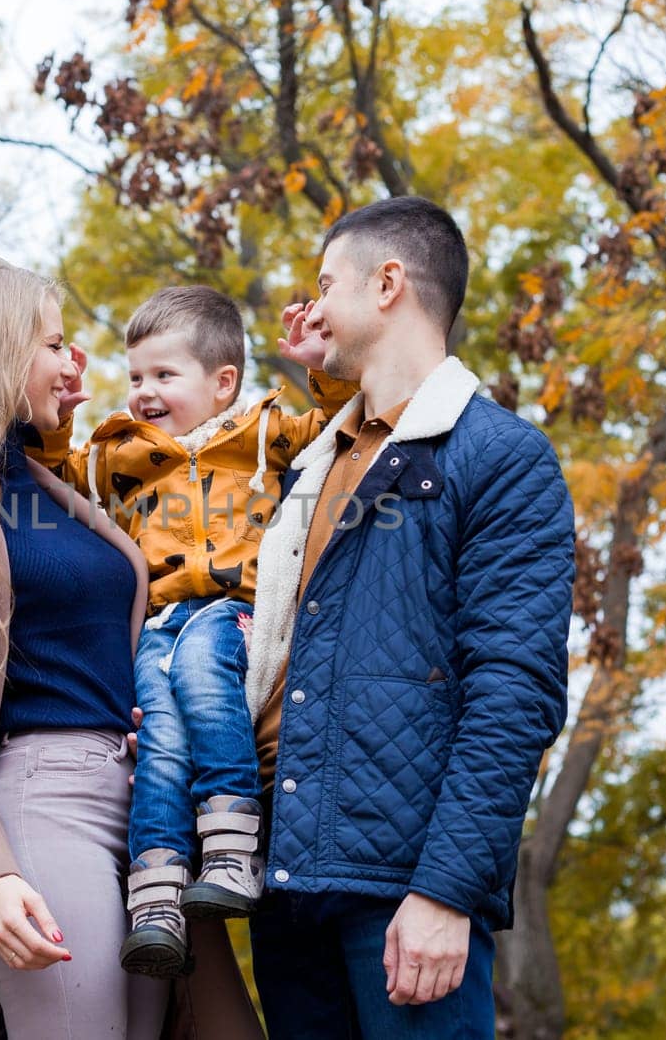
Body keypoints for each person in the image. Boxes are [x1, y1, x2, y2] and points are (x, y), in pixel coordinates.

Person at [0, 255, 261, 1040]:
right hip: (43, 798)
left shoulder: (52, 485)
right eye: (54, 344)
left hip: (144, 807)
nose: (74, 363)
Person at [241, 196, 575, 1038]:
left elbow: (515, 692)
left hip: (404, 889)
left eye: (326, 283)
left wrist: (445, 890)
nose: (312, 306)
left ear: (388, 283)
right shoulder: (316, 464)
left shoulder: (500, 458)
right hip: (289, 878)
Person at [28, 285, 353, 977]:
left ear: (222, 381)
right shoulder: (123, 452)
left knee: (204, 662)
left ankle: (235, 843)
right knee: (162, 742)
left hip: (237, 614)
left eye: (164, 376)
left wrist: (317, 363)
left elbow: (332, 425)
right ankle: (156, 894)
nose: (143, 391)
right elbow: (56, 476)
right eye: (136, 375)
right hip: (161, 625)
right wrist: (57, 419)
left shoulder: (262, 433)